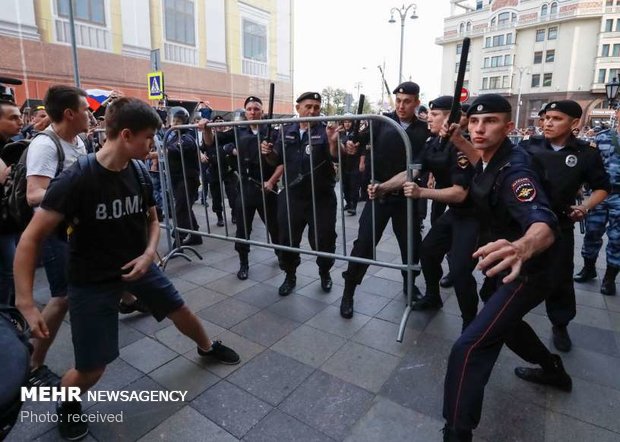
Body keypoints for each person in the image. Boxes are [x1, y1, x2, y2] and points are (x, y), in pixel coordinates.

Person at [14, 97, 239, 440]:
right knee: (92, 370)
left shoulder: (136, 171)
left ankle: (207, 347)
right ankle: (66, 402)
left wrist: (150, 253)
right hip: (91, 280)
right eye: (149, 138)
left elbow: (153, 220)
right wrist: (26, 301)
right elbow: (31, 239)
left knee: (182, 311)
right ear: (127, 135)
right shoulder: (77, 178)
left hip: (139, 265)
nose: (153, 145)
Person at [441, 94, 571, 442]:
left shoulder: (517, 170)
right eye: (474, 122)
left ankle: (457, 431)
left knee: (469, 347)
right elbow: (480, 161)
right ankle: (552, 368)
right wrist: (458, 138)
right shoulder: (490, 157)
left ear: (509, 127)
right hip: (504, 266)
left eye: (491, 121)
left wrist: (521, 247)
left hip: (528, 270)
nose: (480, 129)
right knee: (507, 327)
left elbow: (541, 220)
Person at [517, 100, 609, 352]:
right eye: (546, 117)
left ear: (574, 123)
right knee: (517, 272)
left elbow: (602, 187)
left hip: (560, 224)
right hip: (524, 223)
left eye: (556, 118)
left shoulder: (585, 153)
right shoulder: (528, 146)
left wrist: (585, 207)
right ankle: (508, 316)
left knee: (559, 277)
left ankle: (560, 323)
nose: (547, 122)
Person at [339, 82, 429, 318]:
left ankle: (410, 286)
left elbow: (416, 168)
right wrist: (350, 145)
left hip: (406, 198)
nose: (401, 105)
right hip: (376, 196)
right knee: (364, 244)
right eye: (398, 100)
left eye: (407, 101)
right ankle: (349, 292)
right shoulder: (382, 122)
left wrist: (384, 188)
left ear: (417, 102)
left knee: (411, 246)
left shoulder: (423, 130)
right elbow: (356, 142)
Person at [25, 85, 90, 387]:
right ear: (69, 113)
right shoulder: (45, 145)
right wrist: (74, 193)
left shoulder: (78, 141)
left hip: (75, 227)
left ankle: (128, 298)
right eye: (85, 108)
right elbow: (34, 194)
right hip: (53, 232)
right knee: (61, 297)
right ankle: (32, 364)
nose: (90, 112)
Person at [402, 96, 479, 331]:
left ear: (450, 118)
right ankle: (433, 296)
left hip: (476, 214)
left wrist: (421, 192)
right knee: (428, 251)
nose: (428, 117)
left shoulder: (463, 145)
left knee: (459, 269)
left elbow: (459, 194)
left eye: (434, 115)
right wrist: (384, 186)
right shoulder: (432, 142)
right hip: (455, 213)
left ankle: (470, 321)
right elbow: (412, 174)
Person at [261, 92, 340, 296]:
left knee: (323, 240)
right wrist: (268, 152)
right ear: (298, 108)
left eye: (316, 106)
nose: (313, 111)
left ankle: (324, 272)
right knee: (287, 239)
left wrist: (333, 143)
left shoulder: (326, 131)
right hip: (293, 195)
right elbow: (276, 160)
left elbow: (336, 157)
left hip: (321, 197)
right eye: (308, 106)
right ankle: (290, 275)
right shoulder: (286, 130)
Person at [201, 96, 283, 280]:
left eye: (256, 109)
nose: (253, 112)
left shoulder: (273, 131)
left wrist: (271, 182)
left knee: (275, 226)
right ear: (245, 112)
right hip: (246, 186)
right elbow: (211, 142)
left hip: (267, 187)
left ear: (262, 111)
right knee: (243, 230)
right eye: (250, 109)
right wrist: (205, 127)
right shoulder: (238, 130)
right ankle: (243, 263)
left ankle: (281, 255)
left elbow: (281, 162)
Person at [574, 103, 620, 296]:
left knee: (617, 239)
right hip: (599, 194)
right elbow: (588, 167)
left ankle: (609, 278)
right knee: (592, 232)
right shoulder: (601, 139)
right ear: (617, 114)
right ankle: (589, 267)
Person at [165, 109, 202, 246]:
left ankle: (178, 239)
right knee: (185, 206)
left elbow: (173, 150)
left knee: (181, 208)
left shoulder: (187, 138)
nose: (174, 124)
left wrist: (154, 153)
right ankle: (196, 236)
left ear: (184, 122)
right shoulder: (175, 136)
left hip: (187, 179)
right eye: (173, 121)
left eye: (178, 121)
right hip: (178, 178)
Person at [0, 100, 24, 305]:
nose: (20, 121)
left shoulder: (10, 146)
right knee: (9, 272)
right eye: (13, 117)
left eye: (19, 116)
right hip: (2, 226)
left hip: (11, 220)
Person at [339, 117, 363, 215]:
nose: (347, 124)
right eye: (345, 122)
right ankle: (348, 203)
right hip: (344, 164)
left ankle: (353, 206)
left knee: (354, 186)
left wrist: (362, 162)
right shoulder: (341, 133)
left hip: (355, 163)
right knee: (345, 185)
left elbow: (362, 149)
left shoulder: (357, 133)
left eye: (349, 122)